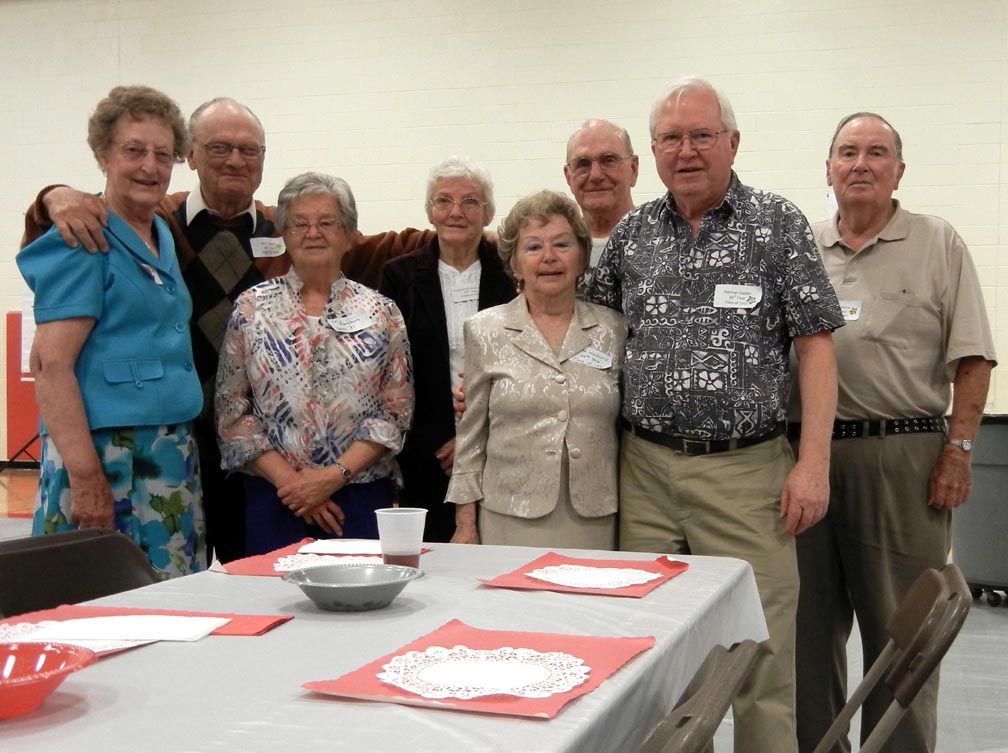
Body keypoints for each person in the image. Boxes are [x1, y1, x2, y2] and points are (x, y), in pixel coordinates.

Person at [21, 98, 432, 563]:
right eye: (219, 148)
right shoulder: (158, 222)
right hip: (168, 441)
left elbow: (382, 245)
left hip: (189, 451)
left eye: (250, 150)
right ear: (192, 156)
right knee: (103, 581)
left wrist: (482, 235)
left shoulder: (240, 230)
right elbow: (51, 356)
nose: (236, 160)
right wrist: (54, 195)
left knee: (194, 580)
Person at [584, 77, 844, 753]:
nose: (687, 151)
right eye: (671, 138)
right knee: (646, 653)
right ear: (654, 151)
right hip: (644, 471)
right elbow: (592, 339)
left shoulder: (776, 223)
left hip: (747, 474)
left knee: (761, 659)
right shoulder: (633, 233)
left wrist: (813, 463)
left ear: (732, 142)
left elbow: (816, 348)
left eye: (702, 135)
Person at [789, 113, 996, 753]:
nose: (861, 164)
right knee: (807, 626)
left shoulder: (937, 242)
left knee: (901, 629)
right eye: (847, 152)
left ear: (898, 171)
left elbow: (974, 360)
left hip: (903, 456)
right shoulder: (800, 245)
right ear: (827, 169)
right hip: (806, 459)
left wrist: (958, 452)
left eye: (876, 153)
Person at [16, 85, 205, 578]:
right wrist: (85, 478)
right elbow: (50, 365)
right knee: (104, 603)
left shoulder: (161, 229)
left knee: (173, 604)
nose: (150, 165)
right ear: (103, 155)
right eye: (133, 150)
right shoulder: (83, 235)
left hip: (169, 452)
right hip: (106, 457)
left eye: (163, 154)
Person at [215, 172, 413, 555]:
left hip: (359, 495)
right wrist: (297, 485)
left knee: (363, 606)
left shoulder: (381, 311)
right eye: (299, 223)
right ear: (284, 234)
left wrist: (331, 478)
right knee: (275, 604)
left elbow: (396, 411)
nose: (313, 233)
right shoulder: (251, 309)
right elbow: (231, 413)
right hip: (276, 496)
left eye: (327, 223)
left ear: (349, 233)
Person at [447, 190, 626, 549]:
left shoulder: (614, 329)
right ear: (515, 264)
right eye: (533, 247)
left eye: (562, 244)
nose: (549, 258)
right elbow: (470, 439)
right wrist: (465, 523)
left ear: (581, 257)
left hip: (593, 519)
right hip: (508, 516)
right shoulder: (485, 331)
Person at [378, 157, 515, 542]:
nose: (456, 211)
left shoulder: (512, 275)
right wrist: (440, 441)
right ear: (430, 211)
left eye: (470, 201)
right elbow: (392, 373)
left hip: (500, 450)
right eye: (444, 201)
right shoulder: (399, 276)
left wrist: (473, 442)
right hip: (427, 455)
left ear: (487, 213)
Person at [562, 118, 638, 286]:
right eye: (583, 164)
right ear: (568, 176)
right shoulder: (556, 250)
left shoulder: (664, 243)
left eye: (609, 160)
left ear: (633, 169)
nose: (595, 175)